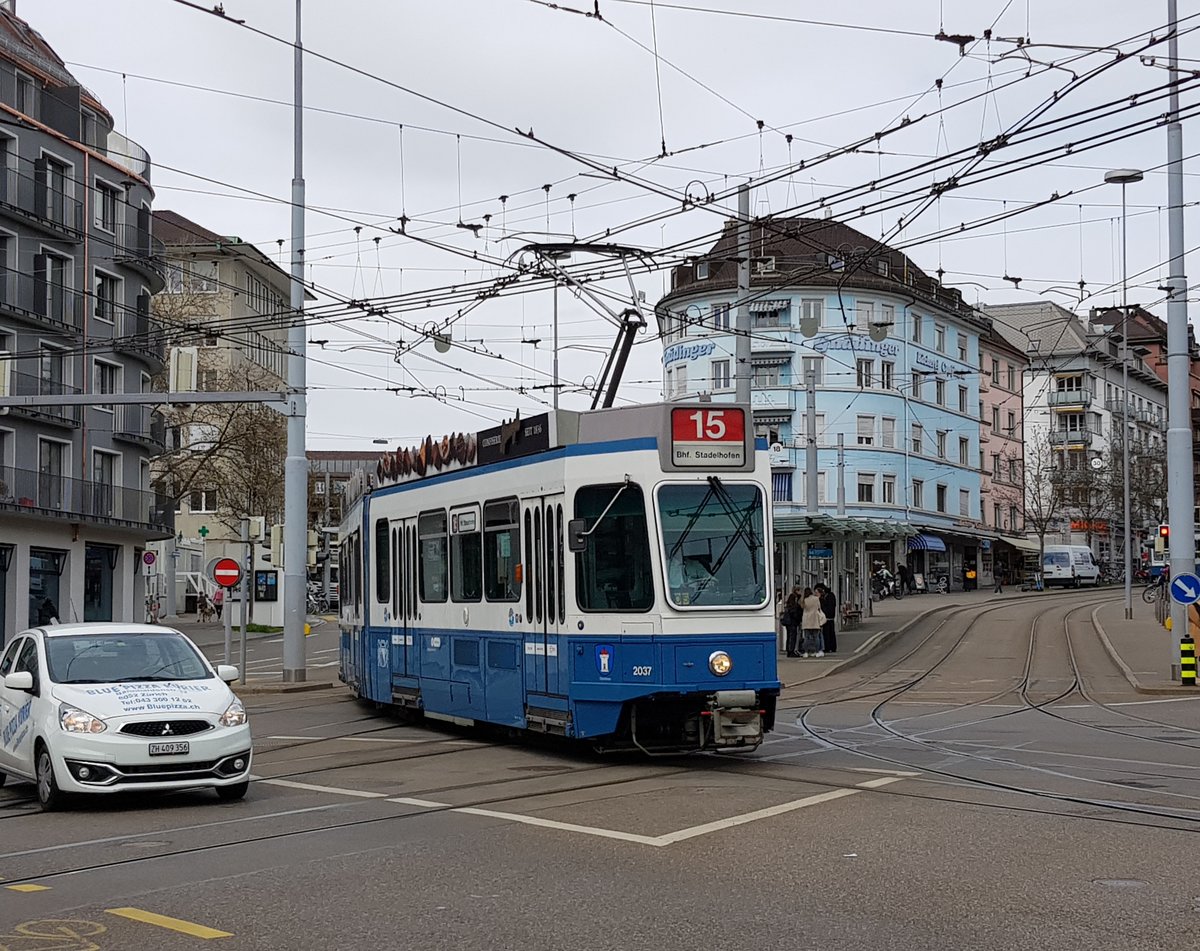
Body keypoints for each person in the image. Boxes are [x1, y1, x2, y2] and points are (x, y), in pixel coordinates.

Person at [800, 587, 825, 658]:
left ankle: (806, 652)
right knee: (816, 637)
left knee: (806, 637)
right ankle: (817, 652)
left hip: (806, 620)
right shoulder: (816, 599)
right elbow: (819, 608)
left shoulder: (804, 600)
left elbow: (802, 607)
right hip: (814, 619)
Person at [781, 587, 803, 657]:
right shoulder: (794, 601)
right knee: (792, 636)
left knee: (789, 636)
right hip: (792, 621)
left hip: (789, 621)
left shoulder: (790, 602)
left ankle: (789, 650)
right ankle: (791, 651)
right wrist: (799, 619)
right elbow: (795, 612)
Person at [817, 583, 838, 654]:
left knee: (826, 633)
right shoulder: (832, 595)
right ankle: (833, 647)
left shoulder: (826, 598)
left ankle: (827, 647)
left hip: (826, 617)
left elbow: (824, 607)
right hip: (831, 617)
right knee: (831, 633)